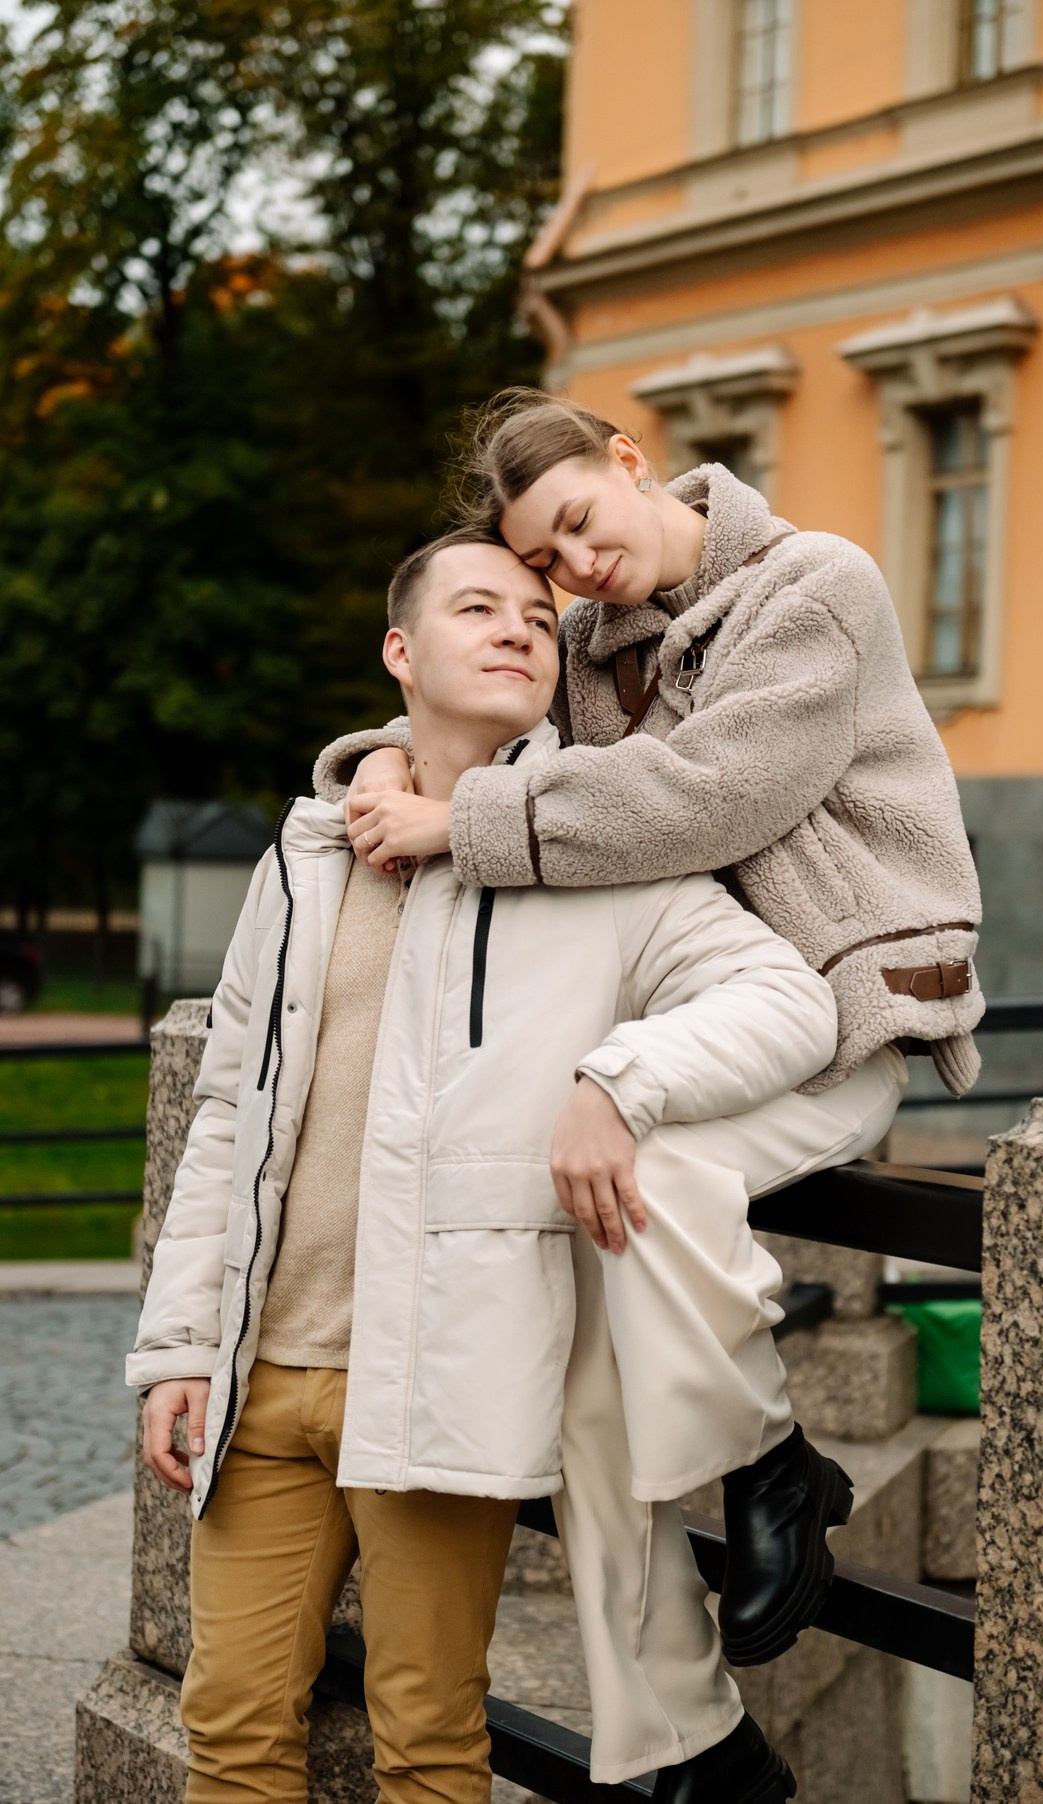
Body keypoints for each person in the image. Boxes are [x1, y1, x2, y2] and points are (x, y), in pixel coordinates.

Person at [318, 388, 983, 1793]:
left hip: (840, 1015)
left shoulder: (818, 583)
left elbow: (711, 794)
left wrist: (468, 825)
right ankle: (685, 1746)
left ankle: (766, 1460)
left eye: (577, 526)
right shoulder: (583, 643)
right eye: (547, 563)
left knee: (659, 1178)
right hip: (685, 1018)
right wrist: (376, 767)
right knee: (592, 1404)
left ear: (632, 459)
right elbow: (472, 738)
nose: (574, 572)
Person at [128, 527, 847, 1804]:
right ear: (402, 651)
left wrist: (618, 1081)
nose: (520, 625)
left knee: (428, 1744)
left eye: (535, 609)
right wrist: (181, 1345)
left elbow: (787, 1001)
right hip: (262, 1379)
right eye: (479, 606)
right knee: (230, 1730)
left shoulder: (598, 847)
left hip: (434, 1384)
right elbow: (228, 1115)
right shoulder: (300, 860)